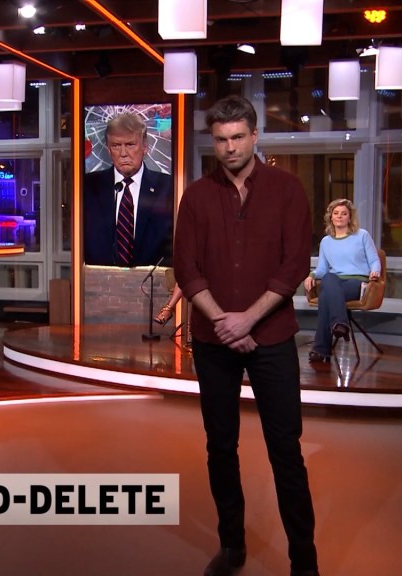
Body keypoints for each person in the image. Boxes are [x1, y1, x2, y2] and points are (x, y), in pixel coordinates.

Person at [173, 95, 320, 576]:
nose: (230, 147)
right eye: (221, 139)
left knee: (286, 450)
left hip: (271, 338)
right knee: (220, 446)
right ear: (212, 142)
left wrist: (248, 319)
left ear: (254, 136)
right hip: (214, 341)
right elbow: (187, 268)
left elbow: (294, 265)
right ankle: (231, 546)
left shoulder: (287, 190)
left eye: (238, 137)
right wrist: (224, 321)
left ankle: (304, 561)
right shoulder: (196, 196)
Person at [83, 112, 174, 266]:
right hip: (100, 279)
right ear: (108, 150)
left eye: (130, 145)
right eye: (116, 146)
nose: (123, 154)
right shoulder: (88, 187)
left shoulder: (167, 187)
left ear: (145, 147)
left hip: (153, 279)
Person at [303, 199, 381, 364]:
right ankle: (340, 324)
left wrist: (375, 271)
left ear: (349, 217)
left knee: (326, 294)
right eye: (336, 213)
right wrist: (311, 275)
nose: (339, 216)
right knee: (328, 279)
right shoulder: (326, 242)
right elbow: (322, 268)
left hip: (357, 282)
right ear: (330, 217)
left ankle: (321, 349)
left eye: (344, 214)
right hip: (335, 282)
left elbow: (374, 260)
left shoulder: (362, 235)